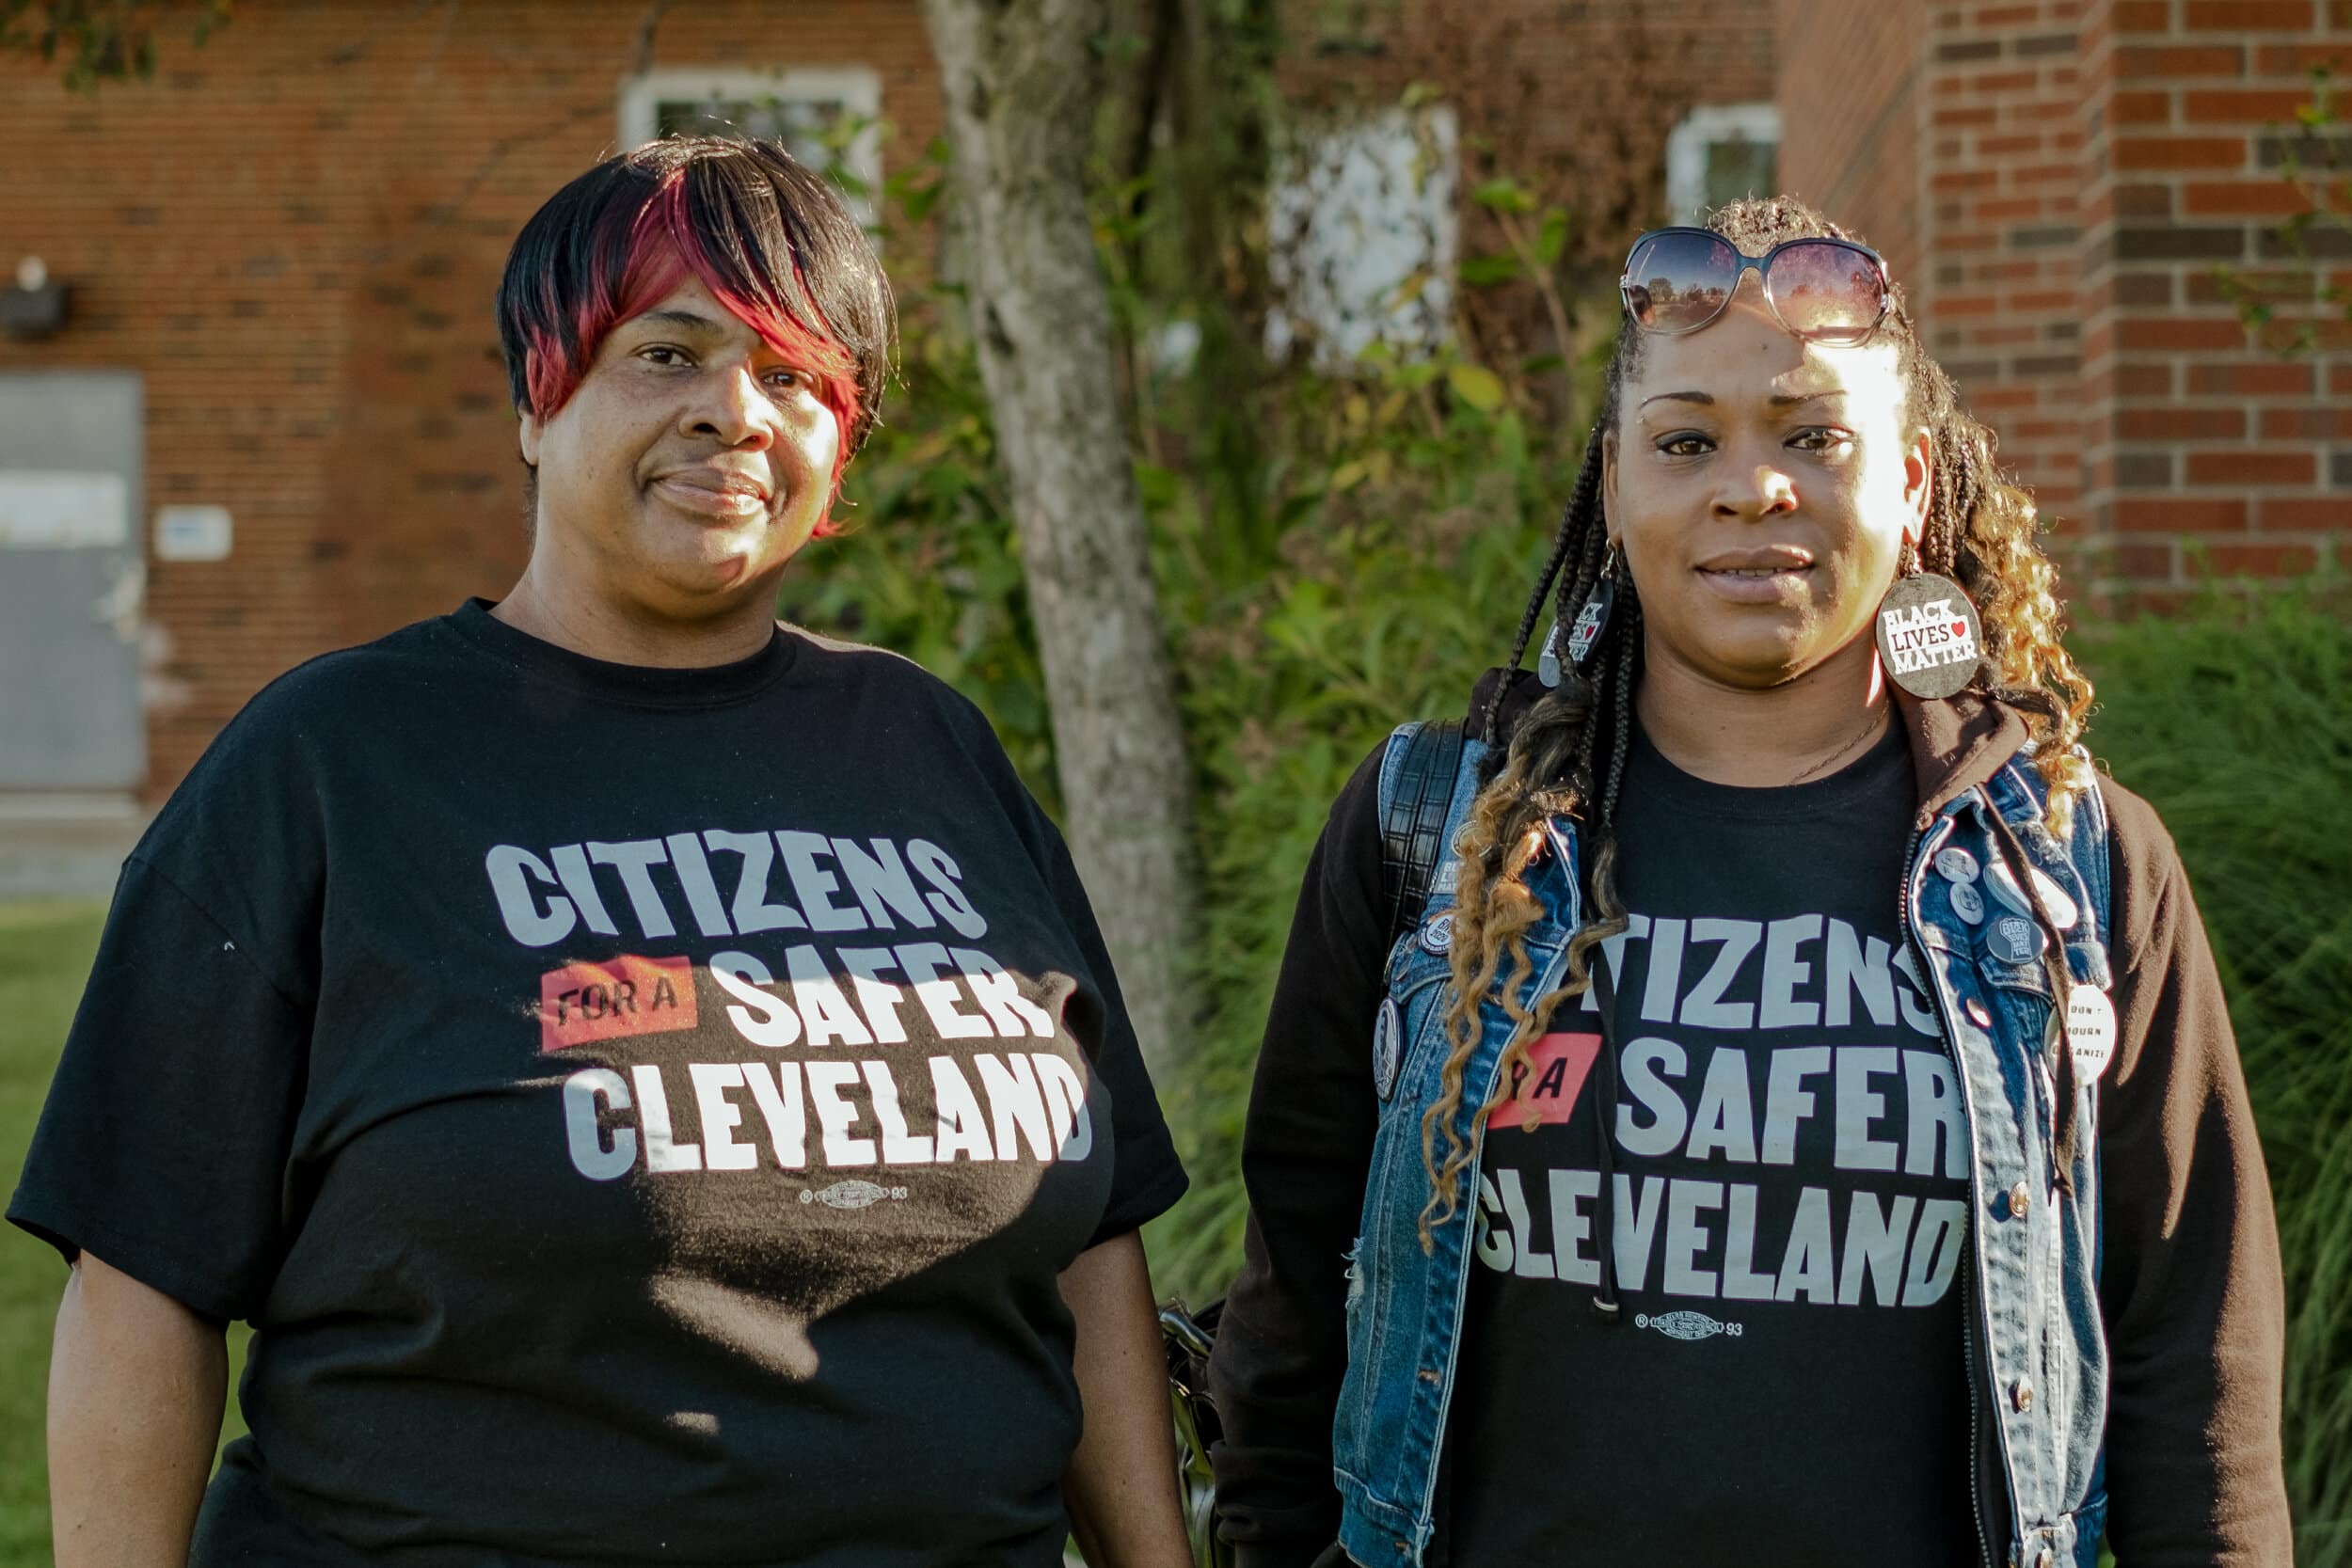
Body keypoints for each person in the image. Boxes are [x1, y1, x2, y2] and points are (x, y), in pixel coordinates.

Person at [16, 135, 1192, 1568]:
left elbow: (1092, 1236)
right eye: (669, 354)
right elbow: (143, 1278)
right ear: (538, 391)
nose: (736, 415)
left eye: (796, 378)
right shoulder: (334, 763)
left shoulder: (931, 749)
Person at [1207, 197, 2291, 1568]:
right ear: (1614, 481)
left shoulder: (2072, 865)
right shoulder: (1435, 836)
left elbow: (2197, 1368)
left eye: (1813, 436)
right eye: (1686, 440)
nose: (1751, 487)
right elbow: (1290, 1325)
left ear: (1908, 489)